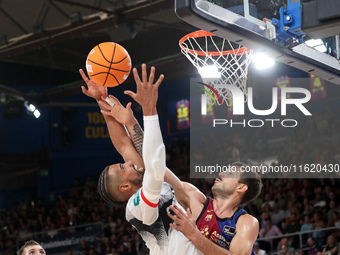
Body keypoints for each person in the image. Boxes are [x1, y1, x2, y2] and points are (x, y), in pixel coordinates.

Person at [80, 63, 263, 255]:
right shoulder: (192, 198)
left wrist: (195, 236)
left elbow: (143, 156)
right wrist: (112, 105)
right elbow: (147, 159)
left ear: (241, 187)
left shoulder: (246, 222)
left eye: (231, 173)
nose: (222, 172)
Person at [80, 65, 202, 255]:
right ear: (125, 187)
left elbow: (124, 145)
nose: (127, 162)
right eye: (123, 167)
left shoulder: (149, 185)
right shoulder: (136, 206)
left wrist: (102, 99)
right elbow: (154, 165)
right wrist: (147, 111)